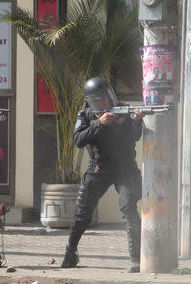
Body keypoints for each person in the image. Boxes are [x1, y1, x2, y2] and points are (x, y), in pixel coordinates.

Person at [60, 77, 145, 272]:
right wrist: (100, 123)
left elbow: (134, 137)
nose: (107, 101)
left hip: (125, 168)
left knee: (129, 209)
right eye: (101, 99)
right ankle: (70, 254)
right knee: (82, 213)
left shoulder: (124, 109)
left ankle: (136, 259)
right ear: (93, 101)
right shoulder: (86, 115)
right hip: (99, 168)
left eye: (108, 96)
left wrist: (137, 121)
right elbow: (79, 140)